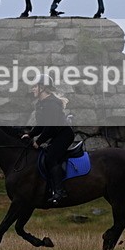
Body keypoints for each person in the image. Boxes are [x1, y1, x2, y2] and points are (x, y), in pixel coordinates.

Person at [21, 74, 74, 204]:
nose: (32, 89)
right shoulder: (42, 103)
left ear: (42, 87)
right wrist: (31, 135)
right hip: (57, 134)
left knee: (51, 158)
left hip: (64, 135)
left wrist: (38, 142)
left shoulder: (50, 104)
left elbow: (50, 127)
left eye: (34, 86)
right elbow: (42, 125)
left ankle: (60, 192)